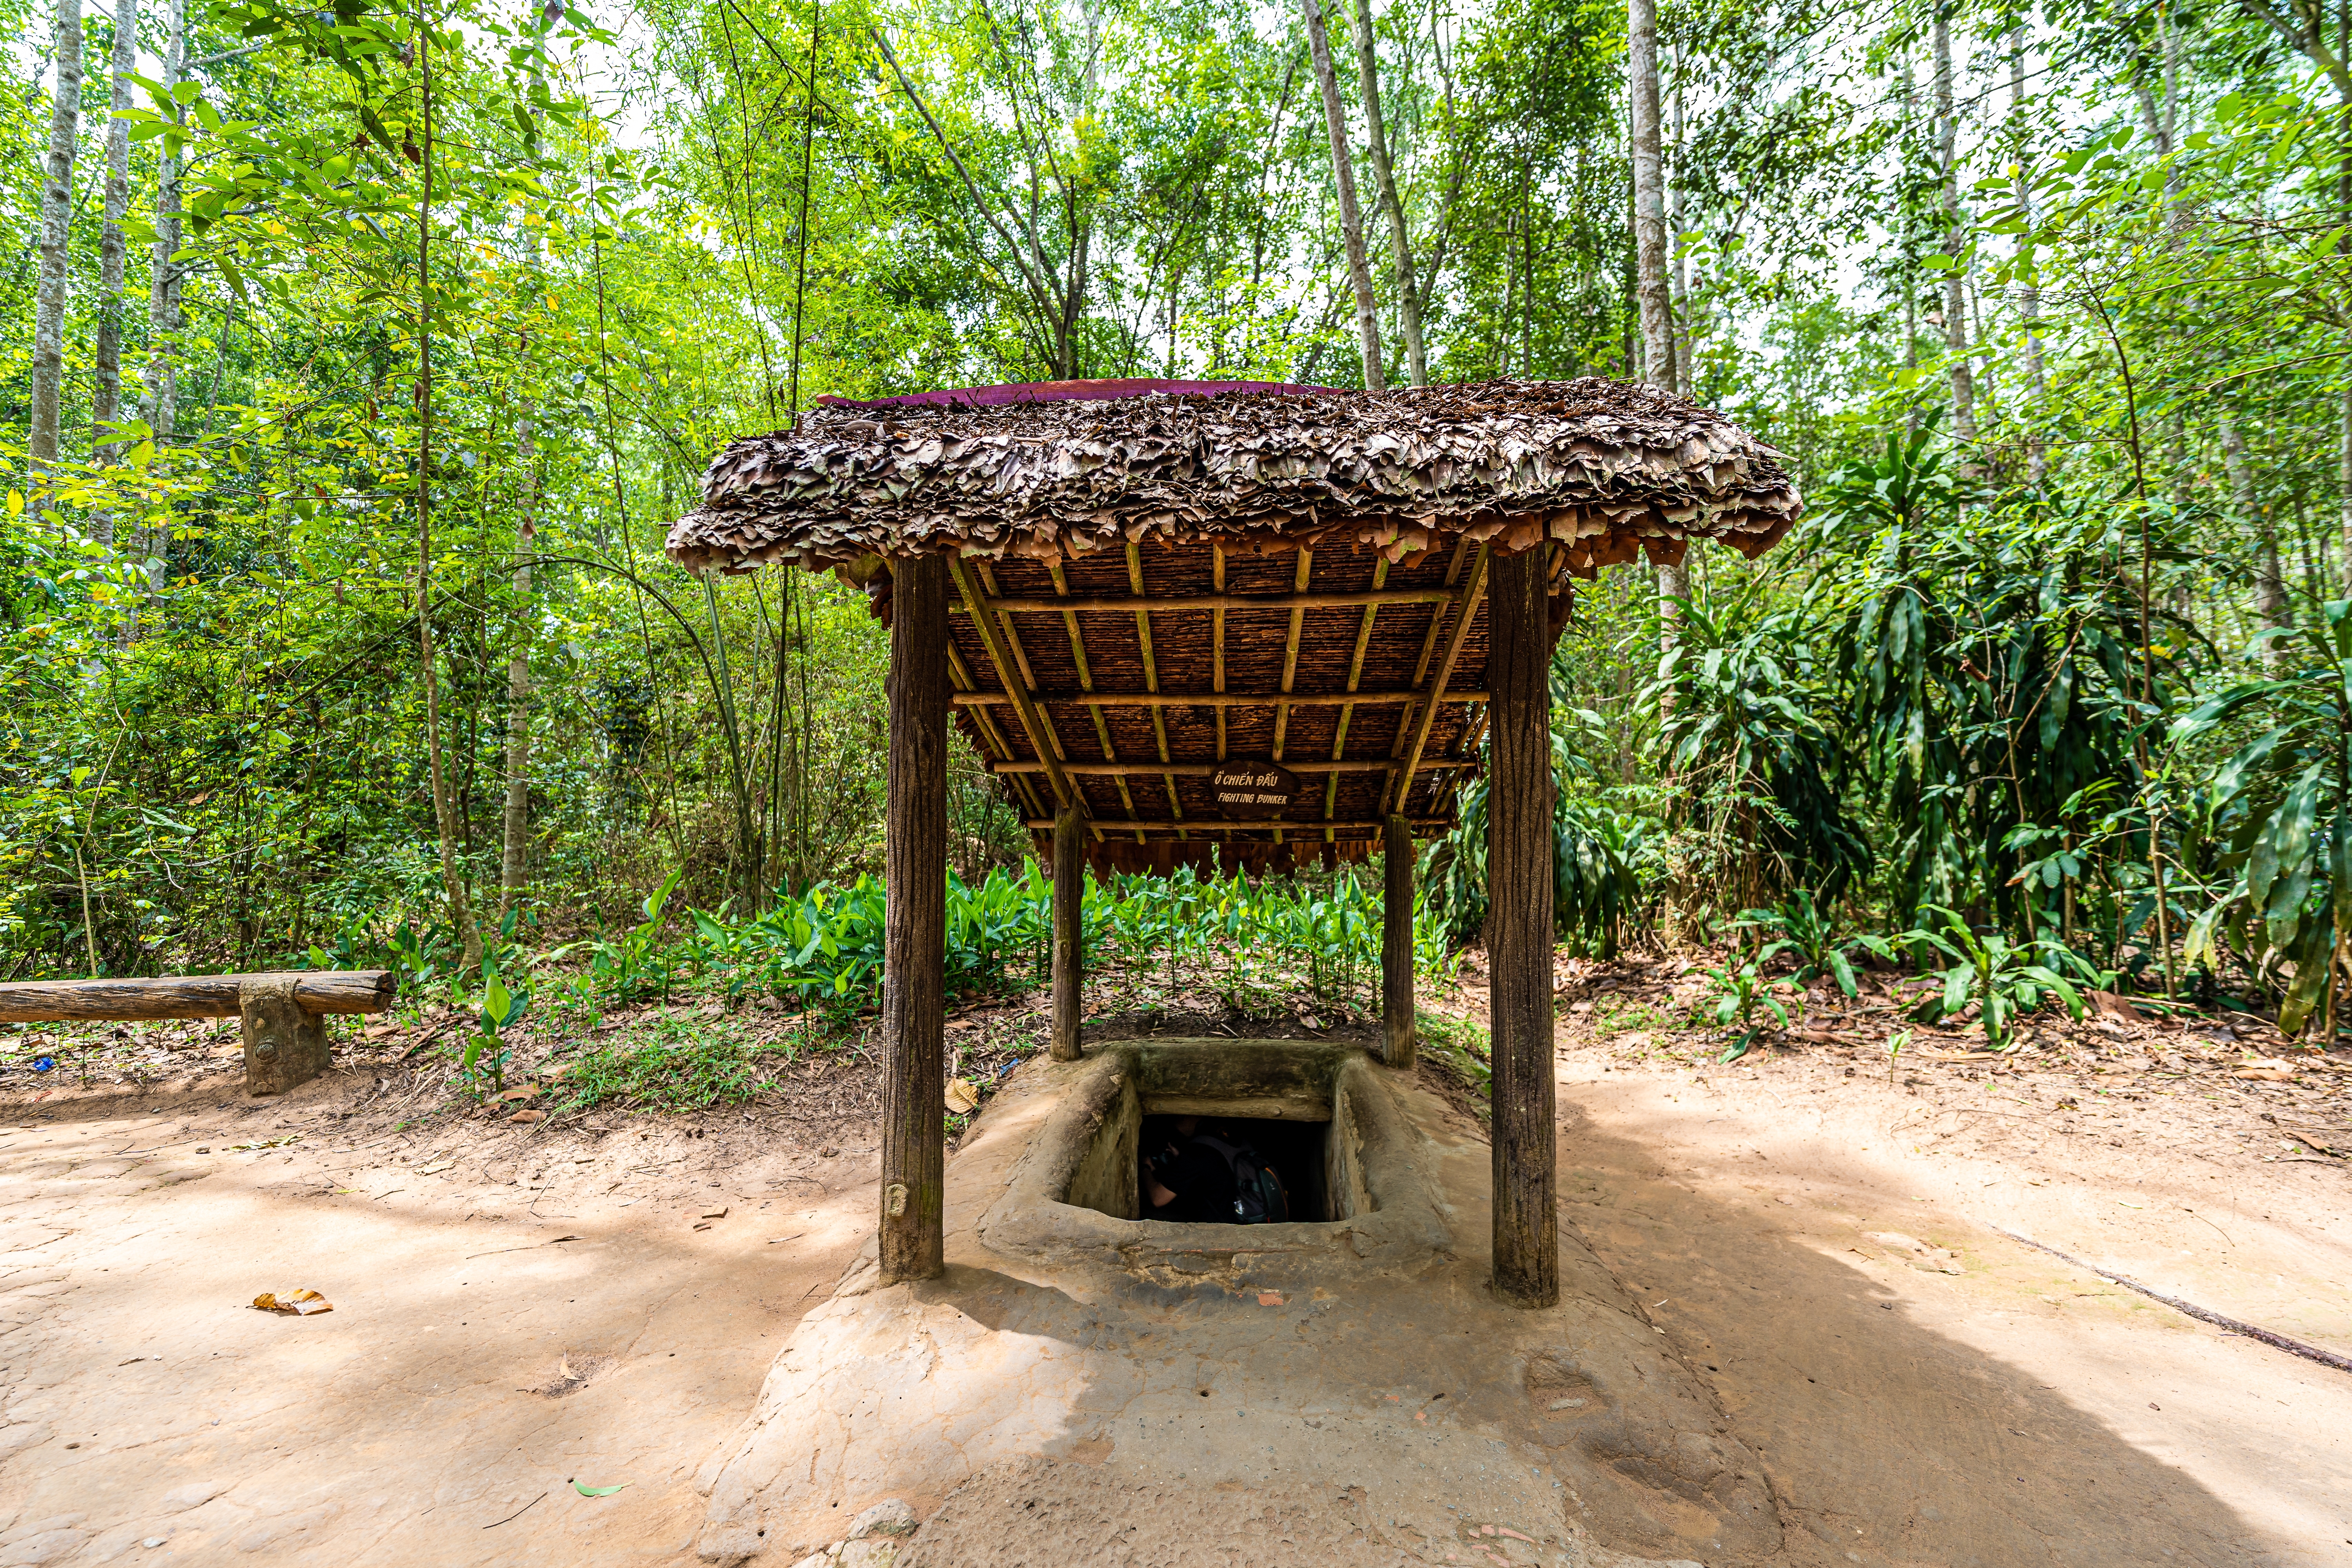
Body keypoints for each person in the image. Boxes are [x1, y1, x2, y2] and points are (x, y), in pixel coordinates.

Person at [1143, 1116, 1238, 1223]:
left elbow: (1158, 1198)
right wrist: (1181, 1159)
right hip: (1242, 1221)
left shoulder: (1196, 1153)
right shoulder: (1231, 1142)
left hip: (1215, 1231)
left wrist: (1146, 1167)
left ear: (1186, 1117)